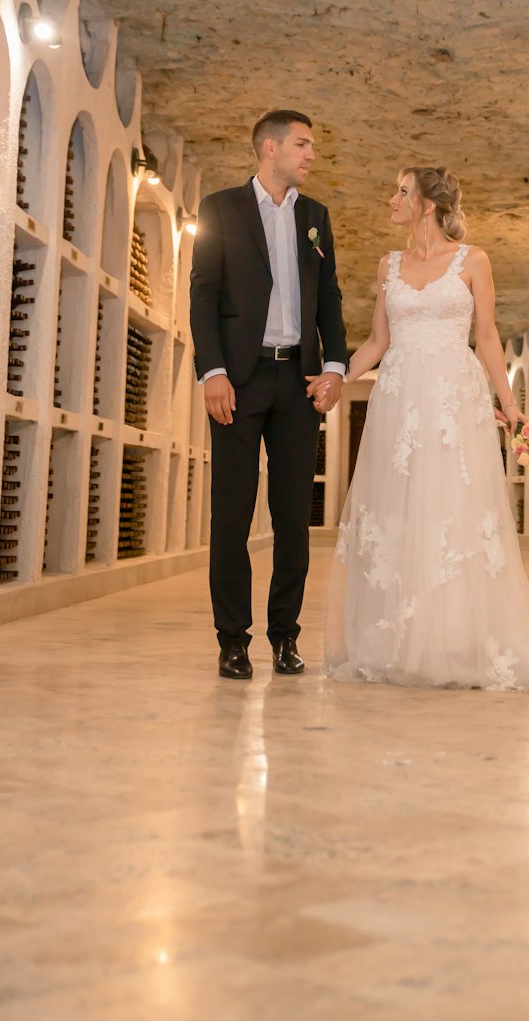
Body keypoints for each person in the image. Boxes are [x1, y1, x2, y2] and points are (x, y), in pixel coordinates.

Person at [317, 166, 529, 691]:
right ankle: (394, 637)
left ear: (425, 203)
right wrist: (336, 378)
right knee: (398, 512)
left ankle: (455, 638)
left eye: (400, 191)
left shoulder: (473, 260)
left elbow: (486, 336)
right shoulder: (388, 265)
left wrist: (512, 409)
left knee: (450, 511)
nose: (391, 198)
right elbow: (377, 342)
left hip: (451, 401)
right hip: (398, 401)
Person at [190, 110, 348, 680]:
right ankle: (232, 641)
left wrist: (334, 366)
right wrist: (212, 372)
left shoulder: (315, 216)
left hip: (298, 384)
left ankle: (285, 637)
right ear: (268, 147)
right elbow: (203, 295)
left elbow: (327, 295)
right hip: (239, 378)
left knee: (291, 518)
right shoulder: (221, 209)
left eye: (311, 145)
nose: (311, 155)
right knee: (231, 516)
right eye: (302, 144)